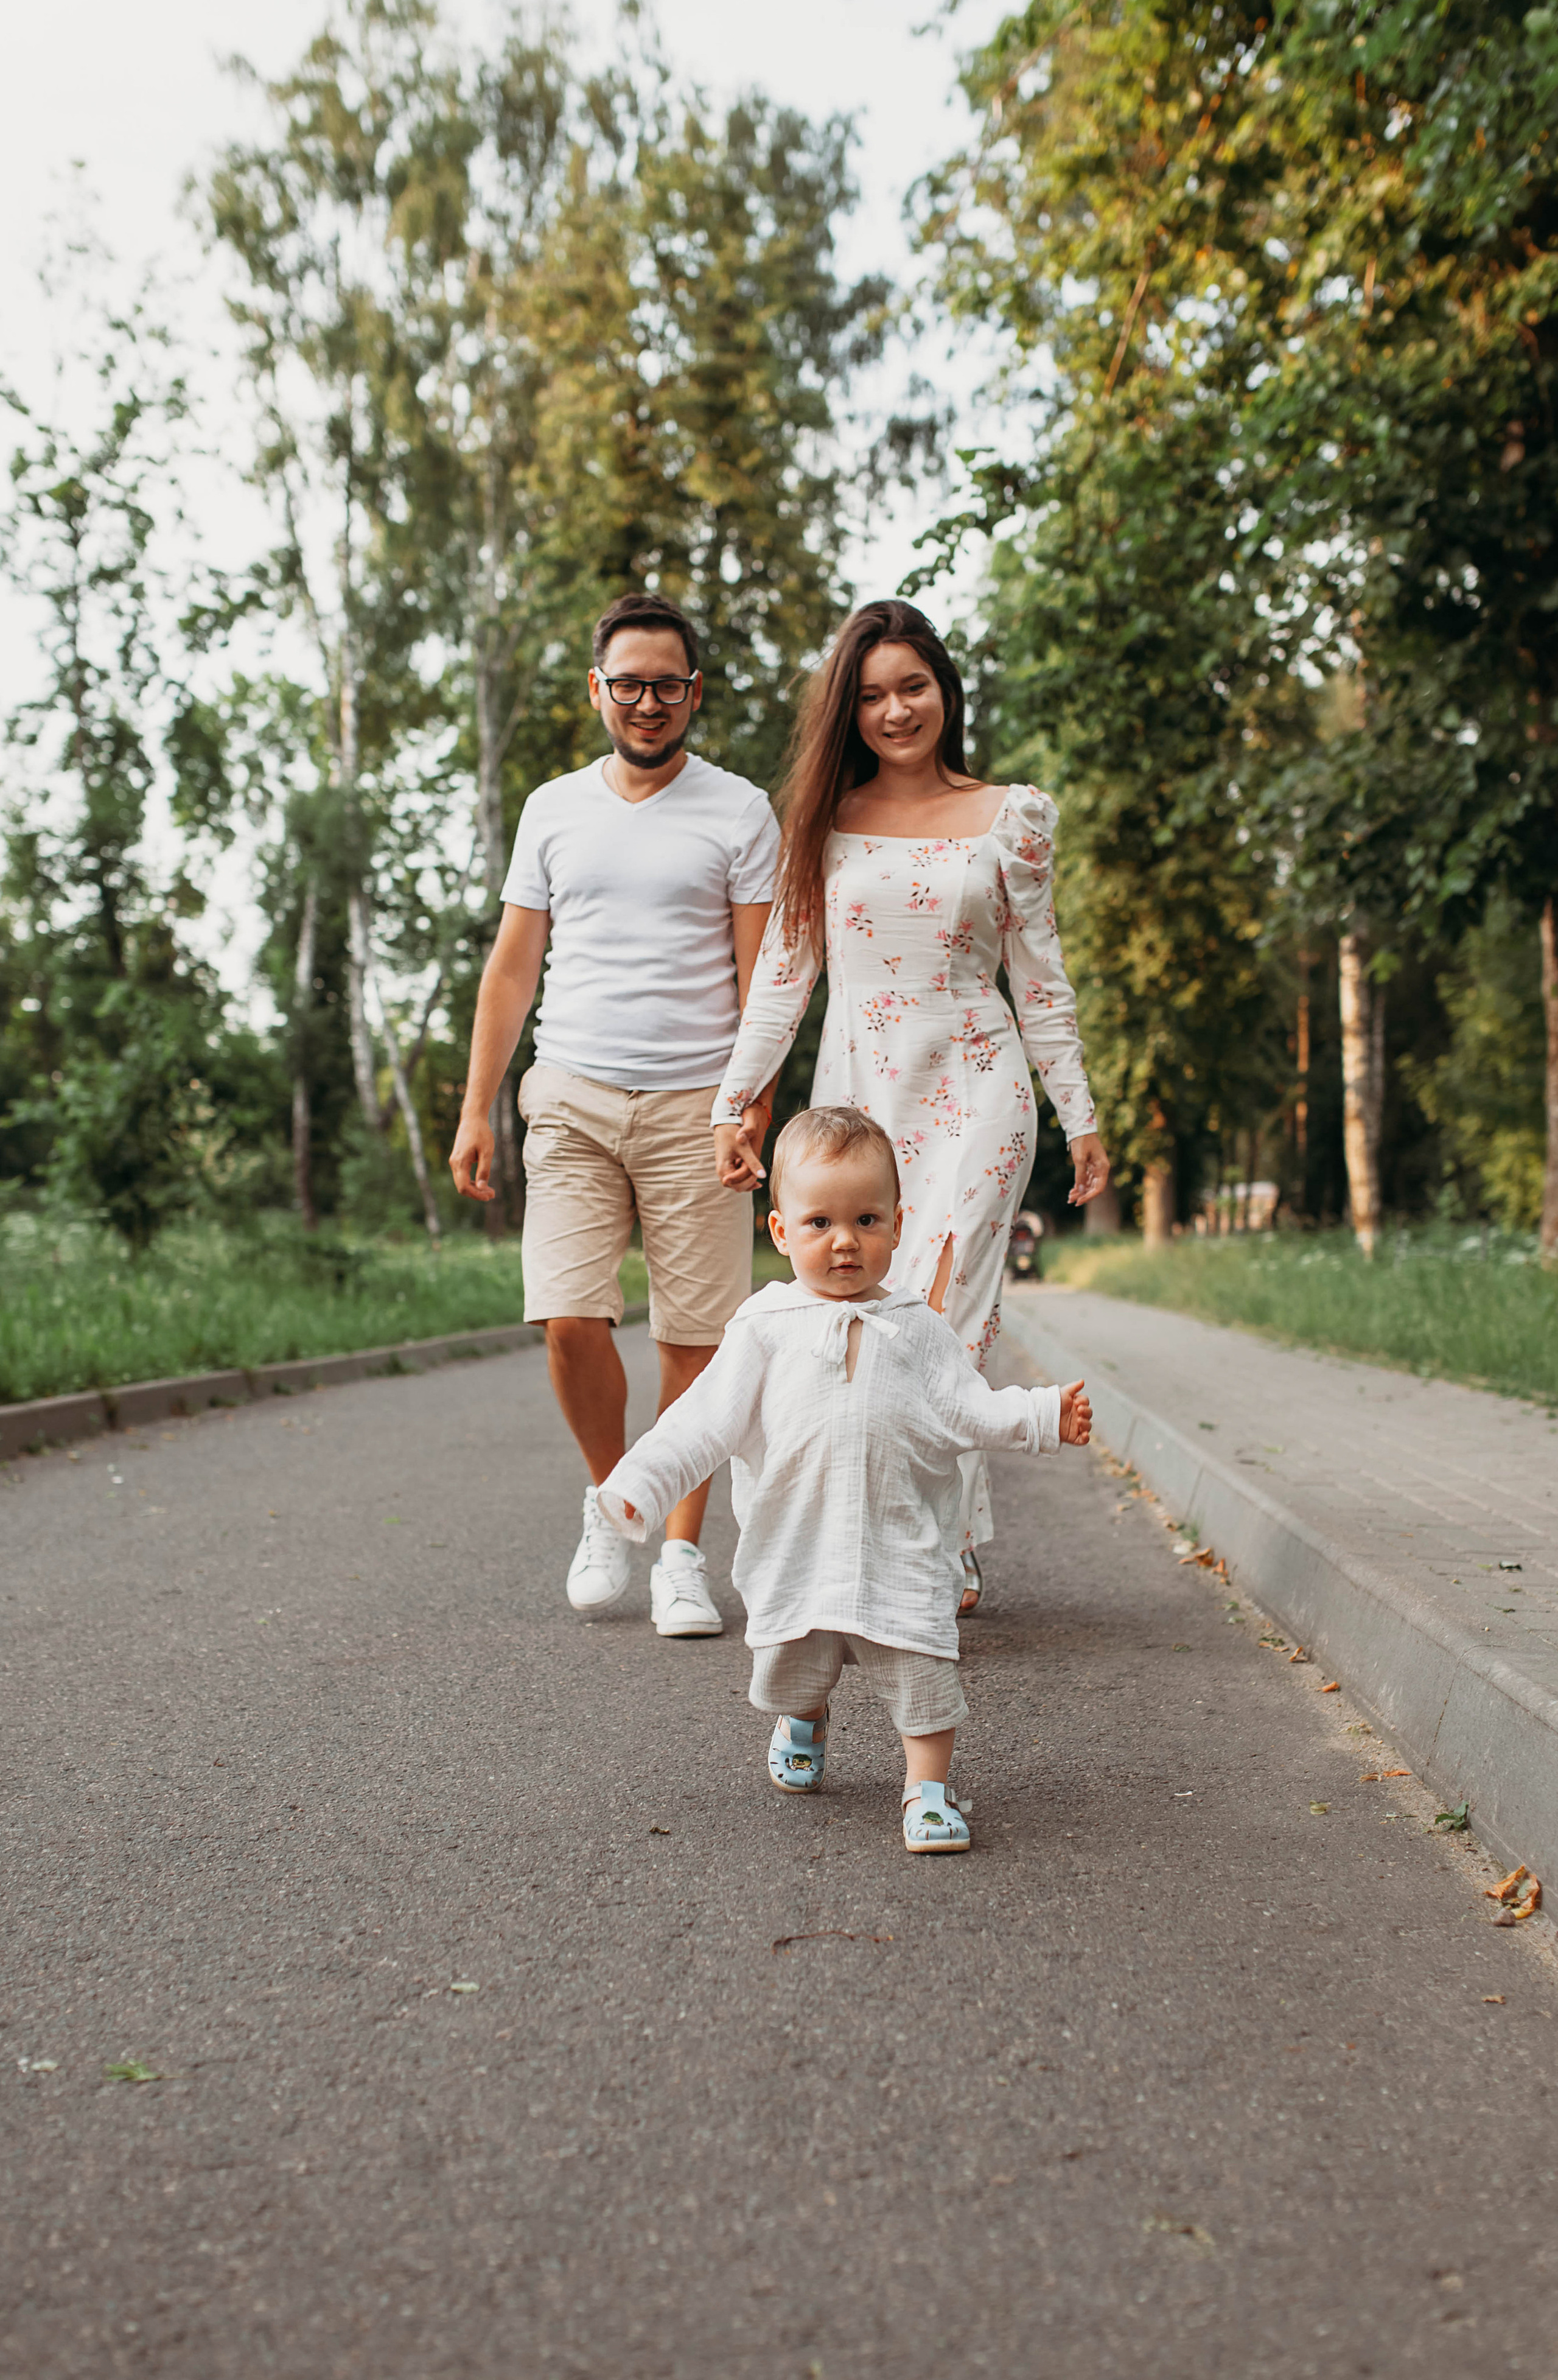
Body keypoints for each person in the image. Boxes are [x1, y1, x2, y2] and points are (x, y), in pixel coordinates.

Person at [710, 599, 1109, 1612]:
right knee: (870, 1322)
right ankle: (946, 1531)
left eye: (914, 687)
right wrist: (736, 1100)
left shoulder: (1012, 816)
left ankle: (928, 1549)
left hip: (981, 1088)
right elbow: (786, 978)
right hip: (859, 1107)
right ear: (850, 711)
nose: (896, 711)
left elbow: (1042, 980)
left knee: (951, 1325)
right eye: (875, 695)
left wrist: (1080, 1113)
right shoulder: (821, 823)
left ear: (945, 690)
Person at [596, 1108, 1092, 1852]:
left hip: (901, 1544)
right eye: (819, 1221)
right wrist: (641, 1480)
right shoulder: (763, 1325)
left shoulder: (916, 1327)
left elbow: (970, 1410)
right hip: (797, 1547)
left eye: (866, 1219)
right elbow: (702, 1421)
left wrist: (1044, 1414)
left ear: (897, 1225)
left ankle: (926, 1791)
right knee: (791, 1670)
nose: (844, 1241)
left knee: (924, 1674)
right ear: (779, 1232)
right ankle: (805, 1719)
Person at [448, 591, 778, 1637]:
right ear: (597, 690)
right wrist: (475, 1109)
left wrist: (751, 1108)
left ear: (694, 693)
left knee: (698, 1339)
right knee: (568, 1316)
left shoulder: (739, 812)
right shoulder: (553, 809)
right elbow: (511, 971)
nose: (647, 701)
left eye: (667, 684)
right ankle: (613, 1500)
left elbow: (762, 972)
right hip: (573, 1093)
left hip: (699, 1105)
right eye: (627, 683)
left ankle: (681, 1551)